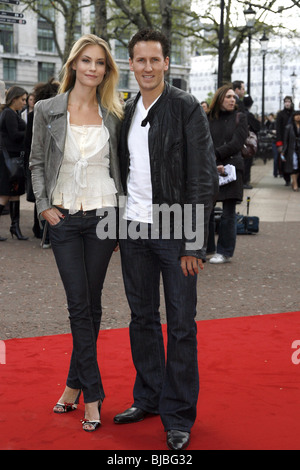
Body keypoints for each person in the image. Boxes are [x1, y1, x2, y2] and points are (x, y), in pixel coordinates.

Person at [113, 28, 218, 451]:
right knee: (141, 318)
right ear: (132, 65)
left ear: (166, 63)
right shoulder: (127, 109)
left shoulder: (186, 107)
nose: (148, 67)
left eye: (155, 60)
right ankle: (149, 398)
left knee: (180, 325)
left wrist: (195, 242)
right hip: (133, 229)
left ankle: (178, 415)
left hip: (176, 233)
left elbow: (203, 176)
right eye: (140, 60)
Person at [29, 34, 123, 432]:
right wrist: (43, 205)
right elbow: (35, 162)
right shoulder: (48, 109)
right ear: (73, 65)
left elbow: (126, 167)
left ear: (106, 70)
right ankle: (94, 395)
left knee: (92, 303)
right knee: (77, 303)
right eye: (86, 60)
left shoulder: (114, 113)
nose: (92, 68)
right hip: (63, 217)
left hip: (104, 215)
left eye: (100, 63)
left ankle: (72, 385)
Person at [207, 84, 248, 264]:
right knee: (206, 209)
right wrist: (215, 163)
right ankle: (205, 248)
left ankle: (224, 251)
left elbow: (237, 142)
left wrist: (217, 156)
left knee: (228, 212)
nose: (233, 100)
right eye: (228, 97)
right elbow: (204, 142)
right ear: (219, 99)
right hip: (211, 167)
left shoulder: (240, 117)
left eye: (234, 97)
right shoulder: (208, 118)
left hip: (232, 168)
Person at [24, 78, 60, 244]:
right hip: (47, 160)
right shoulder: (49, 114)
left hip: (35, 159)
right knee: (48, 195)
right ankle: (47, 233)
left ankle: (39, 229)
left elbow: (27, 141)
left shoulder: (33, 114)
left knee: (40, 194)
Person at [0, 86, 28, 241]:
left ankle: (15, 227)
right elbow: (15, 136)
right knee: (5, 195)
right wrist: (30, 130)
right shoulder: (9, 113)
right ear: (14, 99)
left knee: (14, 194)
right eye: (22, 99)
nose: (24, 102)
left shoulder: (11, 113)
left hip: (12, 160)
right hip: (9, 161)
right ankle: (14, 227)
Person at [243, 95, 261, 189]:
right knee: (247, 162)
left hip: (241, 141)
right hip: (247, 143)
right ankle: (245, 181)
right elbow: (257, 127)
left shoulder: (240, 112)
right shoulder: (248, 115)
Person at [276, 96, 294, 185]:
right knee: (284, 160)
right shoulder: (280, 114)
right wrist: (279, 143)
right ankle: (287, 178)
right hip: (284, 141)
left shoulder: (294, 113)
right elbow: (278, 129)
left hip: (293, 141)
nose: (287, 103)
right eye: (286, 102)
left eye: (289, 101)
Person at [282, 110, 300, 191]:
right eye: (296, 115)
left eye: (299, 115)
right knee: (293, 165)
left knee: (298, 166)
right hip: (292, 149)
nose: (298, 116)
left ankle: (294, 181)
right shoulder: (289, 127)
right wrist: (283, 151)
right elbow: (286, 140)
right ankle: (295, 183)